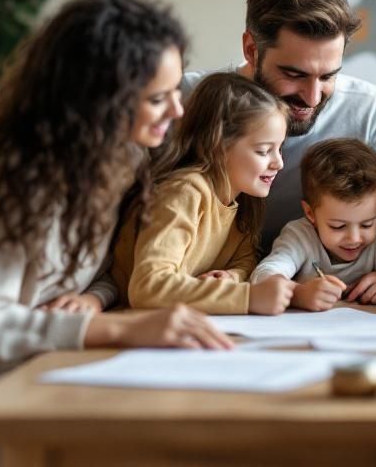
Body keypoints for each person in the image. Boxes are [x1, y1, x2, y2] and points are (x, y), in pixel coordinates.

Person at [0, 0, 232, 467]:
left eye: (175, 92)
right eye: (157, 97)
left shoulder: (119, 157)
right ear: (98, 99)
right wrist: (115, 329)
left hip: (36, 372)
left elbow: (104, 271)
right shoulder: (5, 176)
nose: (177, 111)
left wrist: (94, 299)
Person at [184, 0, 376, 249]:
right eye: (294, 74)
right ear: (251, 49)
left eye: (327, 76)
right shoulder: (184, 101)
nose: (312, 98)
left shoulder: (372, 113)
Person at [111, 72, 297, 315]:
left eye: (279, 149)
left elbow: (245, 261)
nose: (279, 163)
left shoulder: (242, 200)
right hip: (130, 318)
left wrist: (231, 277)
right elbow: (147, 286)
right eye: (264, 151)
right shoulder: (184, 192)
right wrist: (247, 297)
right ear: (218, 147)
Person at [250, 139, 376, 310]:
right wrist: (299, 294)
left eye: (367, 224)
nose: (354, 238)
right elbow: (263, 276)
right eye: (338, 226)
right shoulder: (299, 236)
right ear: (310, 213)